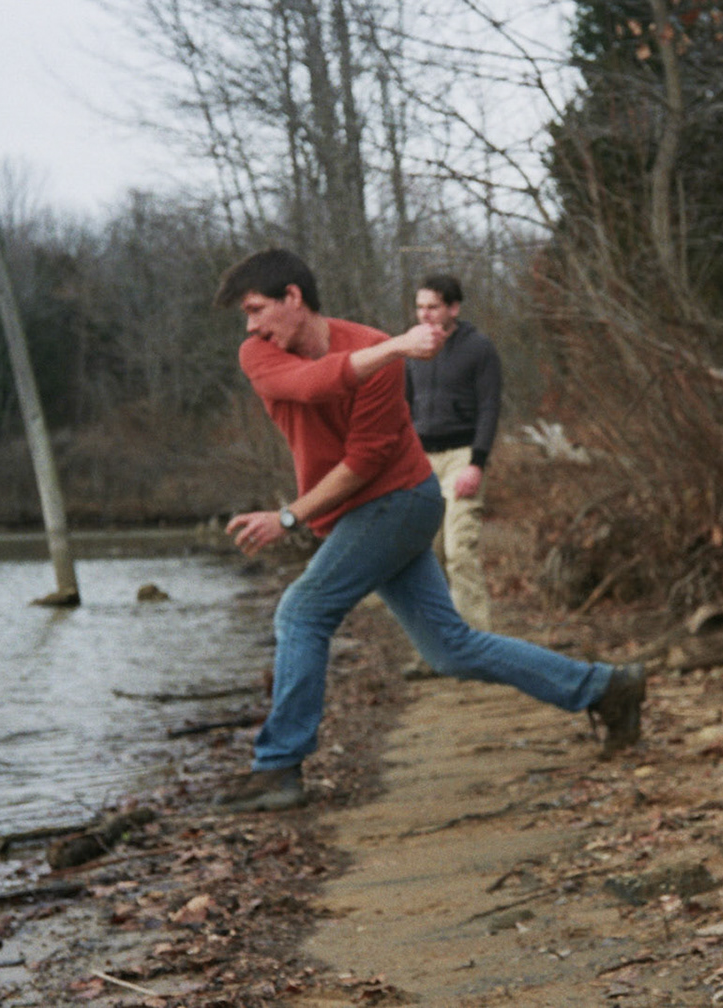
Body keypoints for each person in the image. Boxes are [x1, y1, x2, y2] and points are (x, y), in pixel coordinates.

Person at [210, 248, 645, 813]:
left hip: (401, 502)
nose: (251, 326)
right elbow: (314, 387)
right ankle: (607, 688)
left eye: (257, 308)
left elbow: (364, 464)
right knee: (450, 650)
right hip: (362, 513)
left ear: (293, 297)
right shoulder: (262, 353)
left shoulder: (378, 353)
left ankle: (278, 769)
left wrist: (288, 516)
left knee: (301, 612)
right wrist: (393, 346)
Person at [406, 274, 503, 633]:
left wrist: (476, 464)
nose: (424, 315)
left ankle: (477, 640)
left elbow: (490, 408)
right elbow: (404, 408)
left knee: (459, 550)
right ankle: (438, 643)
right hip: (420, 463)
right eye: (419, 307)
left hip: (463, 456)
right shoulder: (412, 350)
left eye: (433, 307)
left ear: (453, 308)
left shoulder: (478, 348)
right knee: (425, 555)